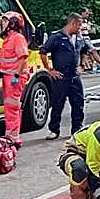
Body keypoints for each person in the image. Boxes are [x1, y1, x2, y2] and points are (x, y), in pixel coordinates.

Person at [39, 12, 85, 141]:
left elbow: (84, 51)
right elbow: (43, 52)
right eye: (79, 26)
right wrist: (50, 70)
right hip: (61, 76)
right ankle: (54, 129)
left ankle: (77, 129)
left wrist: (82, 65)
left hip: (75, 76)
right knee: (58, 103)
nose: (80, 29)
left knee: (78, 103)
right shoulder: (57, 37)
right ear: (73, 23)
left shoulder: (79, 38)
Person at [0, 11, 29, 146]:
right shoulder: (8, 39)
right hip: (9, 76)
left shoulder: (18, 38)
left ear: (12, 23)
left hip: (14, 78)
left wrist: (16, 76)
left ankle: (14, 137)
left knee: (12, 107)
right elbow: (5, 60)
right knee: (10, 107)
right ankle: (11, 135)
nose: (2, 23)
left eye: (5, 21)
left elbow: (23, 57)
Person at [78, 7, 100, 73]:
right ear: (82, 13)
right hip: (83, 38)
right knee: (93, 51)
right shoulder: (78, 20)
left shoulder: (86, 21)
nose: (87, 15)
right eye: (86, 13)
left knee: (84, 53)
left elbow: (91, 31)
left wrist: (90, 27)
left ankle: (85, 66)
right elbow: (78, 29)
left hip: (87, 37)